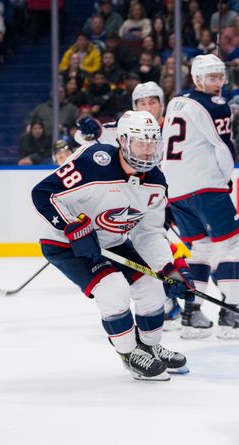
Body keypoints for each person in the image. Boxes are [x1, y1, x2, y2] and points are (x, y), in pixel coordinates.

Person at [31, 110, 189, 381]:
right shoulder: (95, 161)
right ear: (124, 141)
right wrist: (70, 225)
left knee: (152, 286)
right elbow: (44, 193)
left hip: (112, 241)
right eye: (142, 142)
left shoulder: (156, 182)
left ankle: (149, 346)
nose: (148, 150)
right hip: (65, 244)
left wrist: (167, 269)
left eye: (153, 142)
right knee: (113, 287)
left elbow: (149, 233)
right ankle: (128, 353)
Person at [161, 54, 239, 339]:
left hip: (176, 191)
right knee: (229, 244)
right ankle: (232, 312)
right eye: (211, 77)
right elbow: (224, 148)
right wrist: (225, 179)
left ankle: (192, 311)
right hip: (205, 186)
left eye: (220, 77)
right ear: (197, 79)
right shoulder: (216, 105)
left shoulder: (175, 102)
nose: (217, 83)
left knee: (201, 249)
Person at [75, 81, 165, 147]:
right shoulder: (125, 128)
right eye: (143, 104)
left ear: (161, 104)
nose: (148, 109)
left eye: (152, 103)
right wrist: (91, 132)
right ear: (135, 107)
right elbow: (79, 136)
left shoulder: (174, 127)